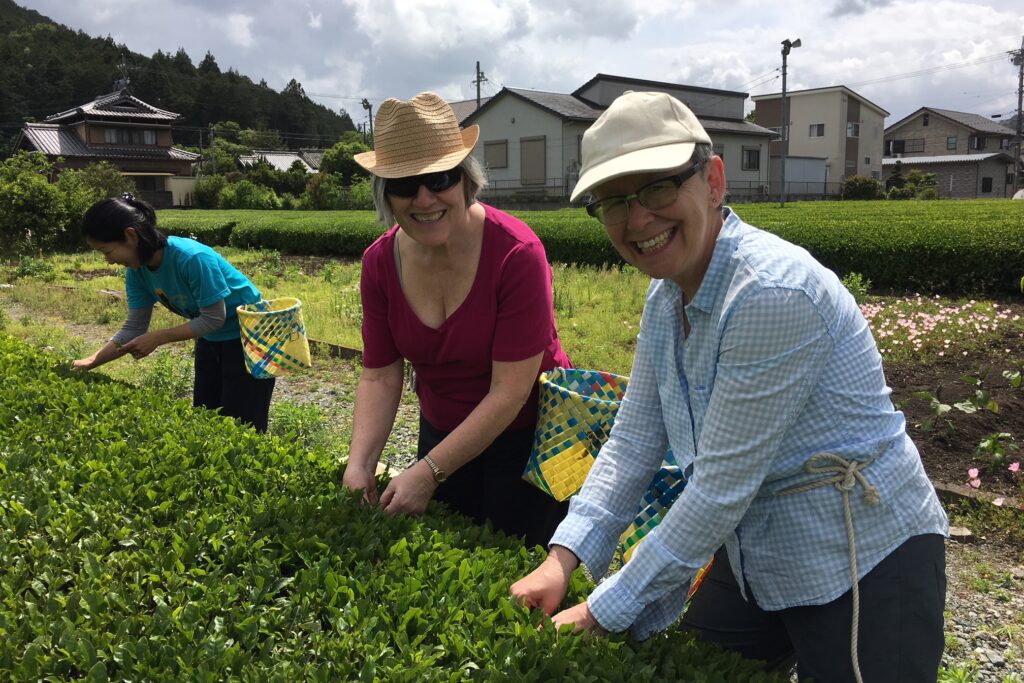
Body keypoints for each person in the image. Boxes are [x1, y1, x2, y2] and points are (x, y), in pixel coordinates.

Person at [511, 91, 949, 682]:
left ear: (714, 181)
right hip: (757, 547)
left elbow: (718, 490)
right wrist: (564, 559)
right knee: (692, 668)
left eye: (658, 188)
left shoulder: (770, 293)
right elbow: (635, 438)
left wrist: (602, 608)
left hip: (859, 552)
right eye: (613, 202)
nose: (638, 219)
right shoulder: (667, 294)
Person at [341, 92, 572, 548]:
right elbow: (380, 375)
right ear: (386, 194)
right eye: (405, 185)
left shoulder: (517, 254)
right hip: (443, 429)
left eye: (440, 178)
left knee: (514, 562)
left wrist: (427, 472)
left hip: (530, 437)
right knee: (448, 553)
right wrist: (359, 463)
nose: (424, 198)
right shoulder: (380, 263)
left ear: (466, 180)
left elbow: (510, 391)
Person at [72, 195, 275, 432]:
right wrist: (91, 361)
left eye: (107, 251)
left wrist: (158, 337)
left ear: (130, 236)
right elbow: (134, 327)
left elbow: (214, 317)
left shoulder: (191, 258)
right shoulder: (138, 271)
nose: (108, 261)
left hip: (249, 340)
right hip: (210, 338)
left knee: (243, 426)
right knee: (206, 417)